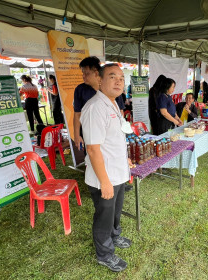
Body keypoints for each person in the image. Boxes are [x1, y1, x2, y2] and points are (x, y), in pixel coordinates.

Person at [80, 64, 132, 272]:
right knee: (104, 216)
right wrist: (104, 182)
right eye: (112, 76)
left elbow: (114, 139)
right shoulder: (95, 107)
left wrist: (125, 159)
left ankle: (114, 236)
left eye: (121, 77)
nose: (119, 81)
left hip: (118, 172)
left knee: (115, 212)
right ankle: (104, 254)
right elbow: (92, 149)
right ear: (100, 80)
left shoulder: (112, 103)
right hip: (105, 177)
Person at [73, 56, 125, 151]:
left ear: (96, 73)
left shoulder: (113, 89)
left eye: (86, 73)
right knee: (94, 154)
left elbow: (120, 112)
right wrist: (77, 135)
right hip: (90, 134)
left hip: (111, 135)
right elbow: (77, 114)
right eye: (82, 73)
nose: (83, 76)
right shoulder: (80, 90)